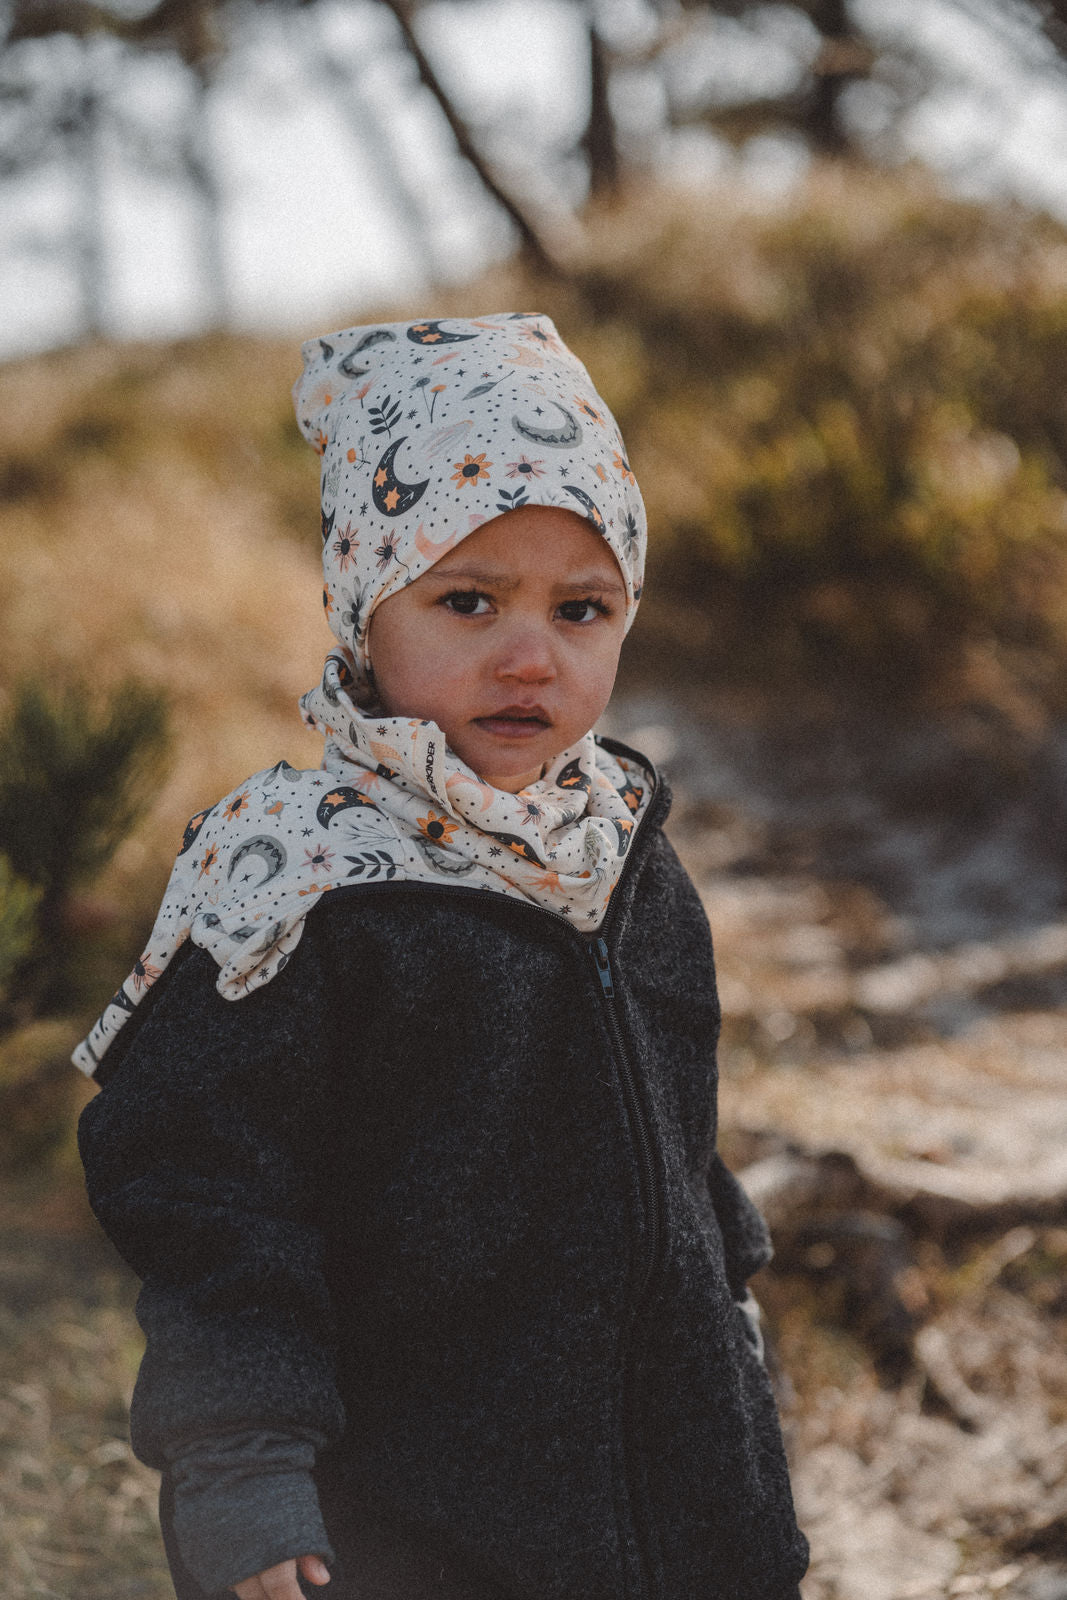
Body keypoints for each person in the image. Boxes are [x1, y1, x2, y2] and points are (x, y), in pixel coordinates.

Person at [75, 313, 809, 1600]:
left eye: (581, 609)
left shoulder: (624, 853)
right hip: (419, 1524)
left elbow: (673, 1134)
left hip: (688, 1500)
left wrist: (730, 1323)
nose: (530, 654)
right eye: (466, 601)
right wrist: (241, 1468)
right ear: (365, 606)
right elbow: (210, 1214)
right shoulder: (295, 886)